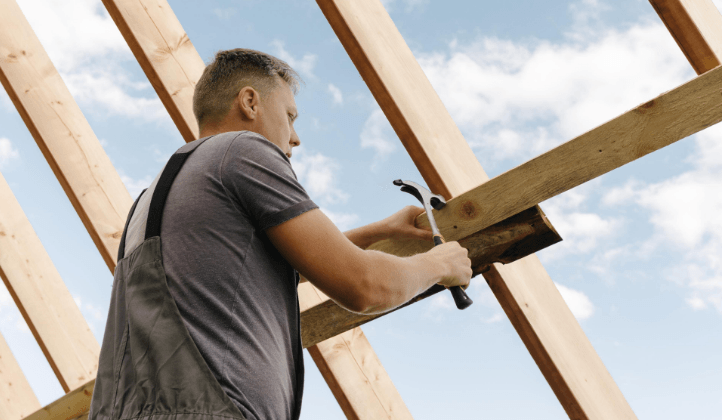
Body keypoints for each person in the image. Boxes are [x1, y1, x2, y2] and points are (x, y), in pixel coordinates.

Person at [88, 48, 473, 420]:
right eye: (290, 116)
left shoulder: (154, 198)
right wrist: (439, 264)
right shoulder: (241, 151)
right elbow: (364, 285)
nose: (295, 138)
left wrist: (378, 231)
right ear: (250, 103)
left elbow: (249, 267)